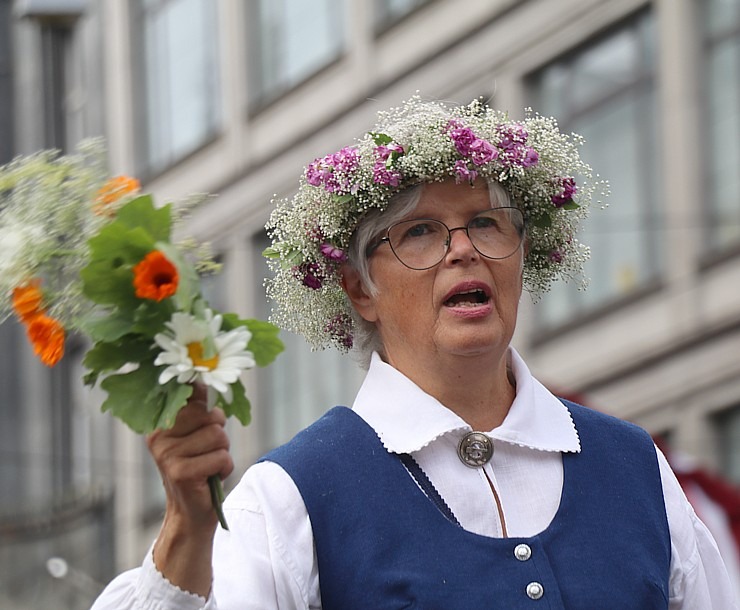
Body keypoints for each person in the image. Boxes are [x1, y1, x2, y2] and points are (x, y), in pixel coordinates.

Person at [91, 96, 737, 609]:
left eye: (486, 222)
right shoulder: (292, 496)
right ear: (358, 289)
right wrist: (186, 528)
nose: (464, 249)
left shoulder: (634, 466)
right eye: (420, 232)